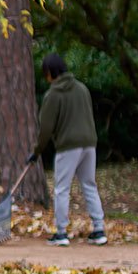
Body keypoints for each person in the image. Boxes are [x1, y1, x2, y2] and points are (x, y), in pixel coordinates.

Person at [36, 52, 107, 246]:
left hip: (68, 146)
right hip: (89, 144)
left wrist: (37, 151)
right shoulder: (82, 88)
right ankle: (99, 229)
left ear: (50, 72)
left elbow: (46, 128)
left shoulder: (53, 94)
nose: (46, 78)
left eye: (46, 73)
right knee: (89, 185)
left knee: (61, 189)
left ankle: (61, 233)